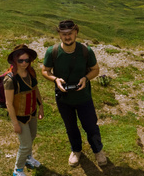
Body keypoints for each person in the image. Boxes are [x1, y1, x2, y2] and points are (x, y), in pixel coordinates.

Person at [42, 19, 107, 166]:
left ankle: (98, 151)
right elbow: (45, 71)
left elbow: (95, 70)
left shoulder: (86, 51)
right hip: (64, 99)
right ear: (59, 34)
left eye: (70, 33)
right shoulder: (52, 52)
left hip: (84, 98)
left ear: (76, 33)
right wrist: (55, 80)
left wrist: (85, 78)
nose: (67, 37)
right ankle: (76, 150)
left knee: (90, 126)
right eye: (64, 34)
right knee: (70, 126)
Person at [3, 45, 44, 176]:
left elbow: (35, 89)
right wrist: (15, 123)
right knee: (25, 144)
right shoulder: (10, 79)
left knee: (32, 136)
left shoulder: (31, 73)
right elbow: (9, 103)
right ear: (14, 61)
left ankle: (27, 158)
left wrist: (41, 107)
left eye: (27, 60)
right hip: (19, 117)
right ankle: (18, 169)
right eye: (20, 60)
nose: (24, 63)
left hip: (31, 112)